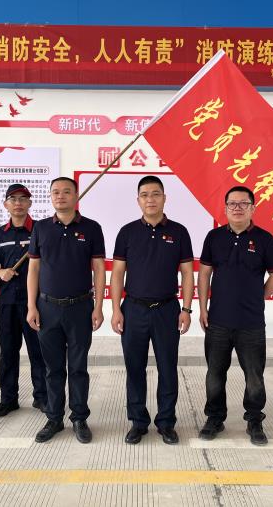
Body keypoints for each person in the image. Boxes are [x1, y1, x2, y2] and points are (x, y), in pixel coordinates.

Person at [197, 185, 273, 446]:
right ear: (225, 209)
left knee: (254, 377)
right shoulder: (213, 237)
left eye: (243, 203)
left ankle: (254, 420)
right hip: (218, 322)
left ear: (252, 208)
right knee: (214, 375)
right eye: (232, 204)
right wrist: (203, 308)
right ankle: (215, 418)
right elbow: (204, 274)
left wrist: (258, 298)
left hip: (251, 324)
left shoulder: (265, 239)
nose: (237, 208)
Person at [110, 175, 194, 445]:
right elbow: (117, 274)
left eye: (156, 194)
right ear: (138, 200)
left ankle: (166, 423)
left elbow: (188, 273)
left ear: (164, 198)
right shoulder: (127, 232)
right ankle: (138, 422)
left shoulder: (179, 232)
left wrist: (187, 309)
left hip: (167, 310)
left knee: (168, 368)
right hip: (133, 310)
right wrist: (116, 309)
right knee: (134, 368)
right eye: (145, 195)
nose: (150, 199)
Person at [26, 177, 106, 443]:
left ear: (76, 195)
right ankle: (54, 418)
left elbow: (98, 269)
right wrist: (31, 306)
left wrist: (98, 307)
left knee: (78, 367)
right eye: (55, 192)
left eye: (66, 192)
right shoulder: (40, 228)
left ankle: (79, 418)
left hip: (80, 308)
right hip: (47, 308)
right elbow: (34, 268)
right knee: (53, 368)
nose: (60, 196)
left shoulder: (92, 228)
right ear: (50, 197)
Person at [0, 183, 47, 417]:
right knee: (8, 352)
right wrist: (0, 272)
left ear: (30, 203)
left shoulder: (41, 230)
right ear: (6, 205)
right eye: (13, 199)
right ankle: (8, 399)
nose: (18, 203)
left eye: (23, 199)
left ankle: (42, 397)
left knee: (38, 352)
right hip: (8, 303)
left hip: (36, 304)